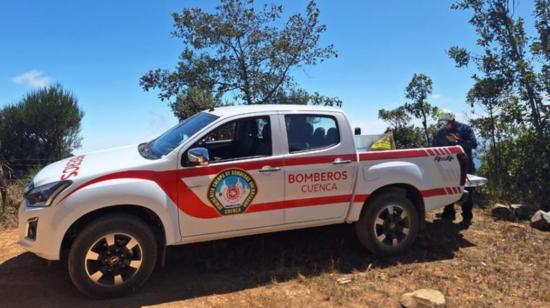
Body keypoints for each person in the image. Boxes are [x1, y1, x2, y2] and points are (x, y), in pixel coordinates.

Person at [432, 109, 478, 225]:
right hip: (447, 166)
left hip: (465, 165)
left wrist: (457, 141)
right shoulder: (440, 132)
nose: (444, 125)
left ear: (452, 120)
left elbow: (473, 144)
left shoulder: (465, 129)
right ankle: (448, 213)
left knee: (467, 190)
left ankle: (467, 217)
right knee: (448, 190)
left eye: (446, 122)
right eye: (442, 123)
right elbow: (434, 147)